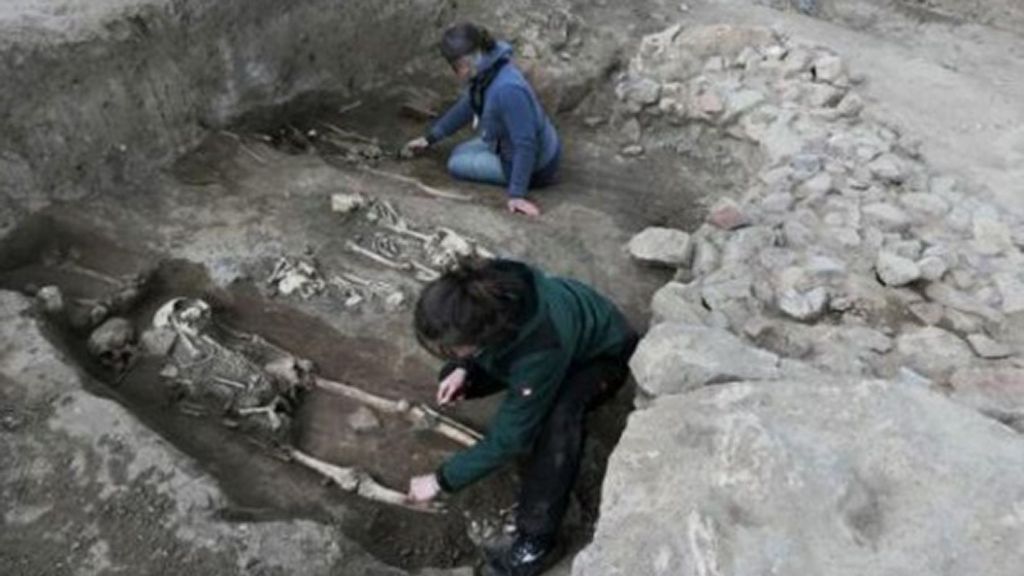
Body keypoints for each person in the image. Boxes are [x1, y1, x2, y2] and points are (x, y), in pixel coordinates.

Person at [407, 258, 637, 575]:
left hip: (601, 357)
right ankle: (465, 366)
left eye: (454, 348)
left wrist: (441, 480)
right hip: (551, 338)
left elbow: (511, 440)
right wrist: (462, 367)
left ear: (484, 336)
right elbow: (485, 348)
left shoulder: (539, 353)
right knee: (455, 374)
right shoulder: (489, 284)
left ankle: (537, 543)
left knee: (555, 423)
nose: (448, 352)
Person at [402, 23, 561, 218]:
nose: (459, 73)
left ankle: (521, 175)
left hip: (539, 165)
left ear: (476, 54)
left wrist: (517, 194)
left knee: (456, 163)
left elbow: (526, 143)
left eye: (460, 65)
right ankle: (500, 157)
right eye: (455, 67)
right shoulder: (490, 71)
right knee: (461, 150)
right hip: (523, 142)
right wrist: (430, 138)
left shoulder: (507, 89)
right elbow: (468, 105)